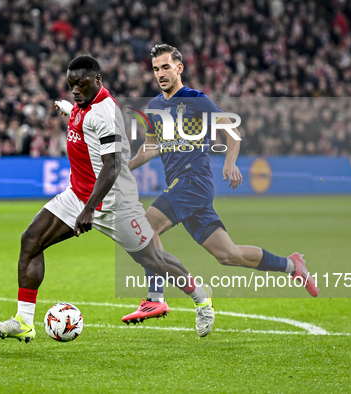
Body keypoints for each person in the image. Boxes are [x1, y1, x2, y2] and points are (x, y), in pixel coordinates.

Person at [0, 56, 214, 343]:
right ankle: (24, 321)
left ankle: (201, 299)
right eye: (71, 85)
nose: (75, 90)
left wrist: (90, 210)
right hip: (78, 195)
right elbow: (84, 121)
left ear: (97, 81)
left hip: (115, 202)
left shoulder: (104, 112)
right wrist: (68, 109)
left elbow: (113, 165)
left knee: (154, 259)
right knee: (30, 239)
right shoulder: (82, 105)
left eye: (81, 84)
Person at [122, 44, 318, 325]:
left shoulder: (196, 100)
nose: (160, 73)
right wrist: (122, 170)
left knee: (147, 225)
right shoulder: (155, 106)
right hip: (182, 186)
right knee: (229, 254)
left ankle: (156, 299)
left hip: (193, 180)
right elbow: (150, 148)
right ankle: (292, 265)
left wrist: (230, 162)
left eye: (166, 67)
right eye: (156, 69)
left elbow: (232, 133)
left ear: (180, 68)